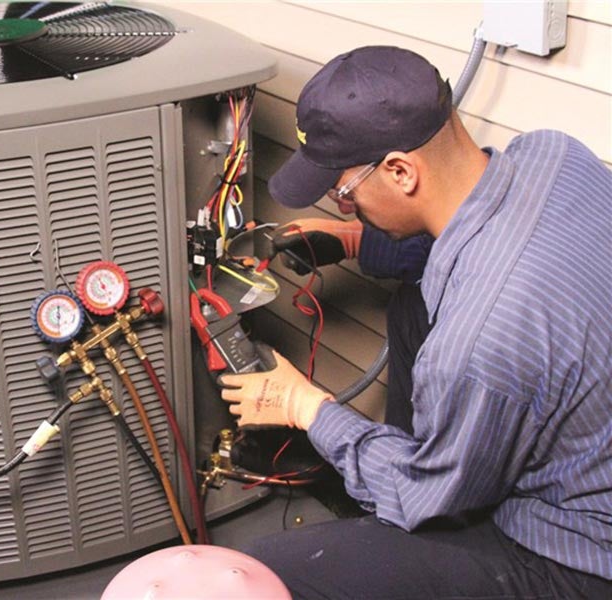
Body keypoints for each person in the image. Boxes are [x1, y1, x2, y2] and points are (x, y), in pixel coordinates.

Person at [218, 46, 612, 598]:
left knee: (267, 569)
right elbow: (478, 239)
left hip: (578, 553)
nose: (343, 205)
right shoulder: (552, 153)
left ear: (401, 171)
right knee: (412, 308)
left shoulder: (478, 344)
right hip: (593, 439)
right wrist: (357, 240)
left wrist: (303, 406)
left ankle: (415, 503)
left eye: (343, 194)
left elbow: (426, 488)